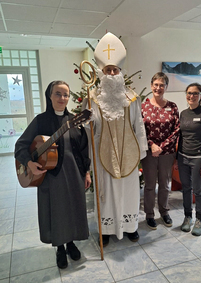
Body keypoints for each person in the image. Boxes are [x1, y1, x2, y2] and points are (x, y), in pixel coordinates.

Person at [15, 80, 91, 269]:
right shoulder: (41, 120)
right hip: (50, 176)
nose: (62, 98)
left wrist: (87, 172)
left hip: (74, 173)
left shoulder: (74, 120)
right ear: (50, 96)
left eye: (66, 94)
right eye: (58, 94)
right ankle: (59, 248)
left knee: (73, 208)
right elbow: (20, 146)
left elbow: (83, 149)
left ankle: (71, 243)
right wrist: (30, 163)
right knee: (56, 210)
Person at [83, 32, 148, 247]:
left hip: (128, 152)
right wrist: (88, 121)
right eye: (107, 70)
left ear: (120, 72)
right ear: (102, 73)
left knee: (128, 191)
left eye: (115, 70)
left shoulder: (131, 98)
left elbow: (138, 124)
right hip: (103, 154)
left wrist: (141, 150)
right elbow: (86, 130)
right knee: (106, 193)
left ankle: (131, 227)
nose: (111, 73)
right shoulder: (91, 99)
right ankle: (106, 230)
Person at [141, 72, 180, 230]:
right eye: (156, 85)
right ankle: (149, 215)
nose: (158, 88)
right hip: (149, 152)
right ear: (151, 86)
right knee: (150, 185)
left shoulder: (172, 106)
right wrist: (151, 145)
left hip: (167, 152)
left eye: (162, 85)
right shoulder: (143, 106)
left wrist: (162, 146)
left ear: (166, 87)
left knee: (165, 184)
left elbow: (177, 130)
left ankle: (164, 212)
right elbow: (140, 129)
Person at [178, 82, 201, 236]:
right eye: (189, 93)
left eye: (195, 93)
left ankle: (200, 219)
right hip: (182, 157)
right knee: (186, 188)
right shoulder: (183, 114)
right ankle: (187, 217)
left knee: (198, 190)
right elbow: (181, 137)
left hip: (198, 158)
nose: (191, 96)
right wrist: (176, 158)